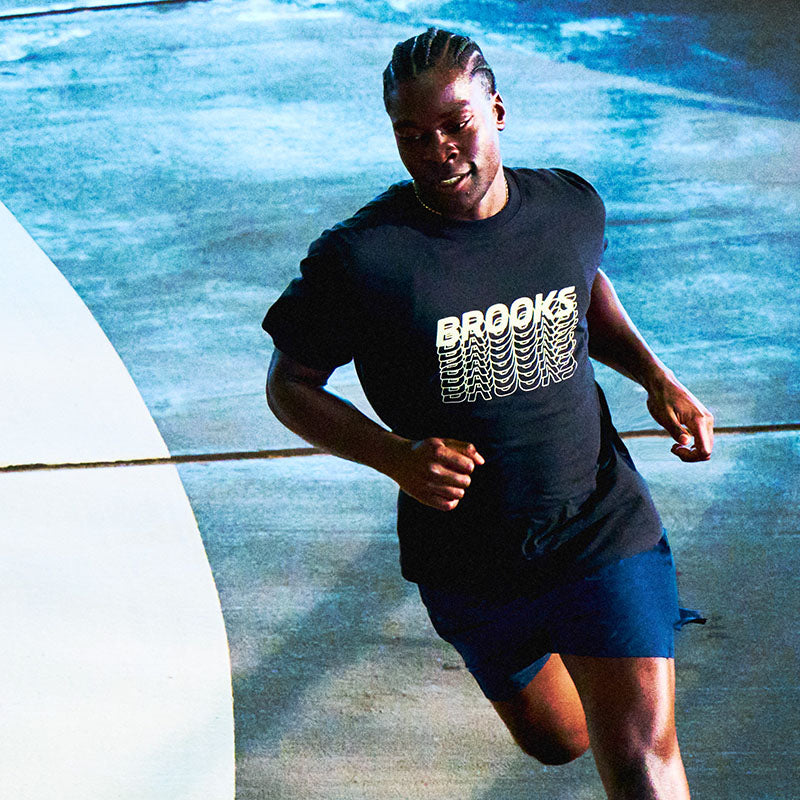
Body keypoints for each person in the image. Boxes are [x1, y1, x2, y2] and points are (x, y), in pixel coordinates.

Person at [263, 27, 714, 799]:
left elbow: (583, 290)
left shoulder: (568, 207)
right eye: (412, 135)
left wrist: (654, 375)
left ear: (496, 110)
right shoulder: (366, 259)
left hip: (599, 524)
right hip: (469, 561)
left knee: (642, 753)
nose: (437, 150)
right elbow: (290, 385)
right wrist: (394, 457)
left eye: (456, 124)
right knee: (558, 739)